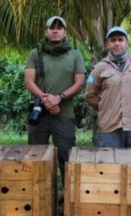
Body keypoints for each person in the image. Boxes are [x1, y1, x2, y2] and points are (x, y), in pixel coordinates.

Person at [87, 26, 131, 216]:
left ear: (127, 42)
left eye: (120, 40)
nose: (117, 43)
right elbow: (90, 95)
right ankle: (115, 213)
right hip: (110, 128)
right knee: (112, 169)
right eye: (113, 40)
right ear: (107, 44)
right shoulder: (99, 67)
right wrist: (106, 108)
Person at [24, 16, 87, 179]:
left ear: (65, 32)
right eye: (51, 28)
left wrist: (59, 98)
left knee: (67, 159)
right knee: (36, 158)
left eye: (59, 28)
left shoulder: (75, 55)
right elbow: (29, 81)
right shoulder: (35, 53)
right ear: (46, 32)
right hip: (39, 115)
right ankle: (39, 199)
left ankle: (68, 199)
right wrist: (47, 100)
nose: (55, 30)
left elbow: (79, 82)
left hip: (64, 115)